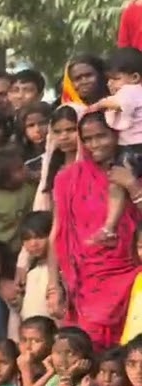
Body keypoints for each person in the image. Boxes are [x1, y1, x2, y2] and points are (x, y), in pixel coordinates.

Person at [48, 112, 142, 348]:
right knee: (89, 348)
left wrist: (132, 185)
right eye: (88, 138)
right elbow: (58, 232)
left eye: (101, 136)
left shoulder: (135, 170)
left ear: (116, 134)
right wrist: (54, 285)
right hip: (86, 283)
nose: (94, 144)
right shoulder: (68, 178)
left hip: (130, 276)